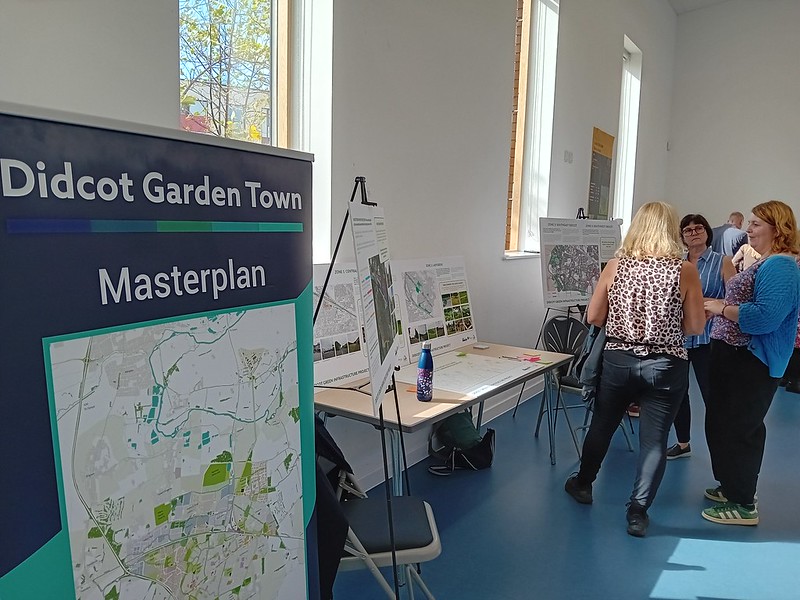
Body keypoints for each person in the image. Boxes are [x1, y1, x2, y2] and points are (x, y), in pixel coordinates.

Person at [564, 201, 705, 537]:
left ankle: (583, 484)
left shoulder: (616, 266)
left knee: (602, 424)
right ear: (671, 229)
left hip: (618, 362)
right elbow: (697, 325)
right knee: (654, 442)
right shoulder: (684, 270)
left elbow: (594, 317)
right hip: (666, 366)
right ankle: (638, 513)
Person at [702, 200, 800, 526]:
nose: (748, 229)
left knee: (742, 428)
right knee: (725, 424)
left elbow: (764, 319)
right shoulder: (766, 262)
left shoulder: (781, 267)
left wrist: (719, 308)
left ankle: (744, 504)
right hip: (736, 355)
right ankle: (732, 486)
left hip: (753, 360)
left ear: (778, 228)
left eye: (756, 224)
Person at [666, 214, 735, 460]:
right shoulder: (675, 263)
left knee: (712, 396)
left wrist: (707, 303)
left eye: (698, 228)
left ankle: (723, 452)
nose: (693, 233)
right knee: (677, 392)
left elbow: (734, 300)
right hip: (678, 338)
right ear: (682, 237)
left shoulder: (723, 262)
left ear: (707, 232)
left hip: (708, 339)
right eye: (688, 230)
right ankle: (683, 443)